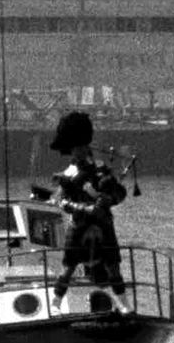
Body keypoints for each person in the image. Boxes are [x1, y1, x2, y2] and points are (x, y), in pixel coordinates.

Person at [45, 111, 127, 302]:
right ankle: (55, 302)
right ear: (71, 150)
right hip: (79, 223)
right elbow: (62, 201)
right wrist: (84, 209)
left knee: (113, 265)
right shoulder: (67, 175)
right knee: (69, 267)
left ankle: (124, 305)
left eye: (83, 147)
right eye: (76, 149)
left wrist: (108, 200)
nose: (81, 152)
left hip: (103, 221)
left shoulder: (101, 170)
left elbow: (119, 192)